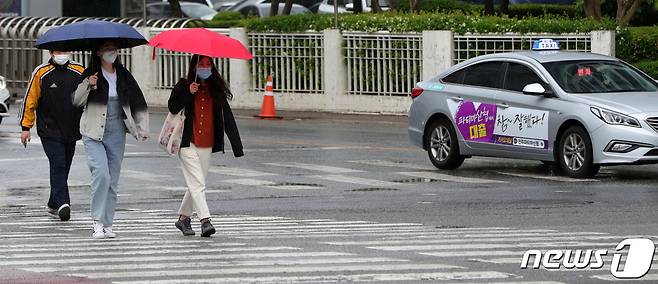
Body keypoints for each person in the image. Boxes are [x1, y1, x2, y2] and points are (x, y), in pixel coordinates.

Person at [73, 42, 148, 239]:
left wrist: (142, 127)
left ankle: (108, 223)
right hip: (92, 131)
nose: (111, 52)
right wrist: (88, 84)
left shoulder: (123, 75)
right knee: (101, 175)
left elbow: (138, 100)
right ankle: (97, 221)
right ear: (97, 53)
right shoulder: (90, 74)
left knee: (112, 181)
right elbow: (76, 101)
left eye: (113, 48)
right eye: (106, 49)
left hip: (117, 131)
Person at [168, 55, 244, 237]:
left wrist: (237, 146)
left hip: (207, 144)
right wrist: (188, 92)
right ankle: (205, 221)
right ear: (193, 67)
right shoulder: (184, 85)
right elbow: (172, 107)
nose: (205, 67)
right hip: (187, 143)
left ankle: (183, 218)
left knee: (196, 184)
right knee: (198, 184)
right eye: (201, 64)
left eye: (208, 64)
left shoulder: (216, 90)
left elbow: (228, 118)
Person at [19, 50, 85, 221]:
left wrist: (92, 84)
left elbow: (88, 97)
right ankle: (64, 203)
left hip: (72, 129)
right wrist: (26, 127)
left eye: (65, 51)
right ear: (51, 52)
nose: (62, 54)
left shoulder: (79, 71)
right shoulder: (41, 72)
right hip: (49, 129)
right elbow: (30, 100)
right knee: (58, 164)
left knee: (65, 166)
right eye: (58, 51)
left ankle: (53, 202)